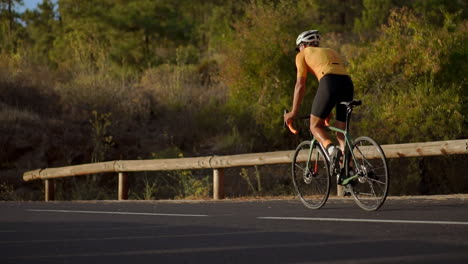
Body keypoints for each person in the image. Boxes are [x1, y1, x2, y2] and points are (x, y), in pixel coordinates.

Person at [283, 30, 354, 176]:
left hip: (329, 82)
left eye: (299, 47)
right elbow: (336, 79)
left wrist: (293, 112)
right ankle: (350, 172)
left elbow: (300, 85)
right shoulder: (330, 51)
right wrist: (327, 110)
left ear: (303, 45)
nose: (299, 50)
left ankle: (331, 150)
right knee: (342, 134)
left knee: (314, 126)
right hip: (347, 84)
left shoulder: (301, 55)